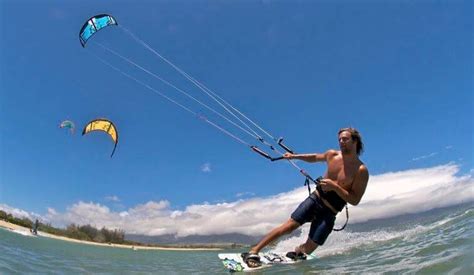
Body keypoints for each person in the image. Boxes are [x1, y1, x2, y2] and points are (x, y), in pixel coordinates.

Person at [242, 127, 369, 267]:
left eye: (345, 139)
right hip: (315, 199)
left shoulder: (361, 170)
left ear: (355, 141)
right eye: (339, 139)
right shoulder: (332, 155)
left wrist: (335, 187)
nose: (341, 142)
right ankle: (254, 251)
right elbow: (315, 157)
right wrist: (294, 156)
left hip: (330, 212)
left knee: (310, 248)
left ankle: (298, 252)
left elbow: (355, 200)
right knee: (289, 226)